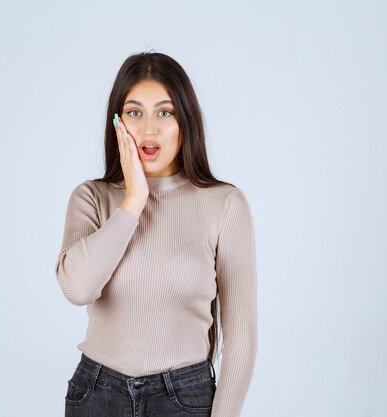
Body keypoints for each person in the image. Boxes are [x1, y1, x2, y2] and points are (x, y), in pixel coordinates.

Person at [55, 51, 257, 417]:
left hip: (184, 397)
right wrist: (133, 201)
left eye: (165, 112)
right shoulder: (92, 198)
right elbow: (78, 288)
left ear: (186, 121)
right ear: (117, 122)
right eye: (134, 112)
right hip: (98, 394)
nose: (149, 128)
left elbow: (241, 336)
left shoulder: (225, 205)